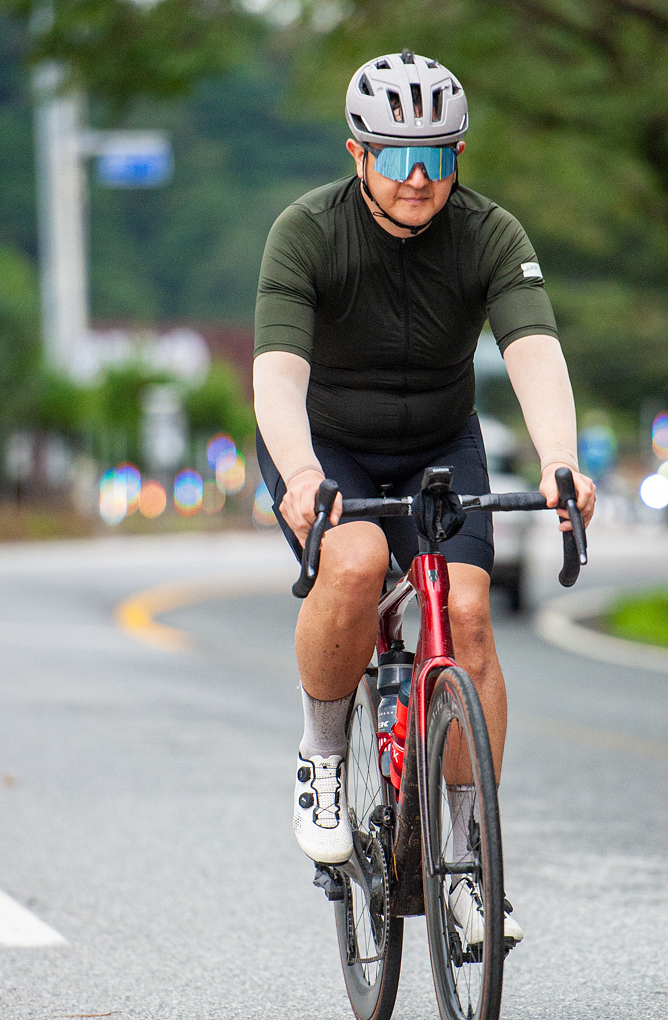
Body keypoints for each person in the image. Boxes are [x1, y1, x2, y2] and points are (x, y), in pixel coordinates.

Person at [253, 50, 595, 946]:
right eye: (398, 156)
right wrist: (301, 475)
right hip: (324, 446)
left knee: (469, 616)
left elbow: (534, 350)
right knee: (357, 561)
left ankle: (469, 864)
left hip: (440, 443)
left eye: (437, 156)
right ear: (358, 153)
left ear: (459, 155)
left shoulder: (489, 234)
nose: (417, 177)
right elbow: (277, 375)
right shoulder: (308, 231)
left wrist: (561, 460)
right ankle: (323, 754)